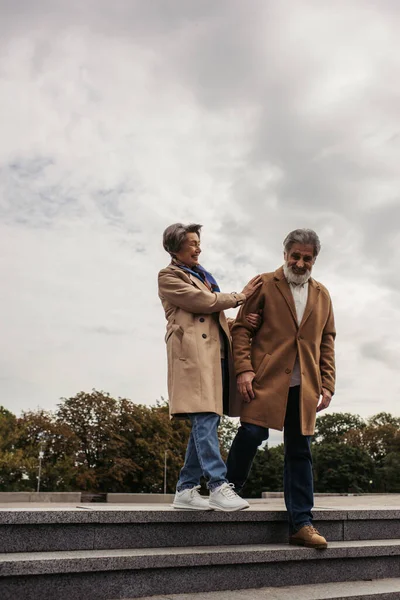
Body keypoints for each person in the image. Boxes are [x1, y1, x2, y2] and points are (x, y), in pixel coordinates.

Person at [227, 228, 336, 547]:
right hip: (266, 378)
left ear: (314, 259)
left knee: (300, 450)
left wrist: (327, 382)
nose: (301, 263)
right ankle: (228, 491)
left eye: (307, 258)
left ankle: (302, 523)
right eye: (295, 256)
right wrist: (244, 369)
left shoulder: (322, 294)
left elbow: (326, 341)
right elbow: (242, 329)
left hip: (304, 386)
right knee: (251, 433)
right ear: (285, 255)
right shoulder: (264, 284)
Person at [158, 222, 262, 511]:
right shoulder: (168, 276)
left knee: (208, 420)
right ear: (175, 246)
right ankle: (217, 484)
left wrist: (240, 322)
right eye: (192, 243)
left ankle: (186, 488)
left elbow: (214, 320)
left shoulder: (201, 276)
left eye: (197, 243)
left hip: (213, 356)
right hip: (192, 357)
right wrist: (240, 297)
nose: (198, 248)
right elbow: (201, 302)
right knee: (205, 418)